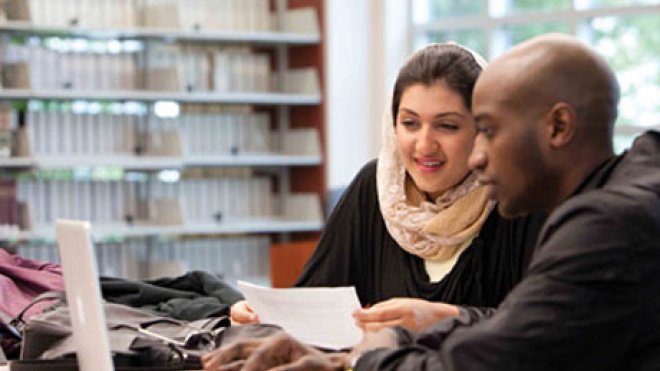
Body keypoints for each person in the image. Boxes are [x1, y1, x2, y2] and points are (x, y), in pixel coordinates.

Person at [201, 33, 660, 371]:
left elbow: (488, 361)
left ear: (558, 127)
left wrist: (366, 357)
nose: (479, 157)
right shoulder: (628, 190)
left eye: (487, 131)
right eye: (410, 123)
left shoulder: (605, 226)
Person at [231, 43, 545, 332]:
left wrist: (446, 318)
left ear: (482, 129)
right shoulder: (377, 188)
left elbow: (548, 329)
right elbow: (316, 302)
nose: (424, 145)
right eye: (410, 123)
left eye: (447, 126)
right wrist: (265, 315)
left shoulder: (517, 197)